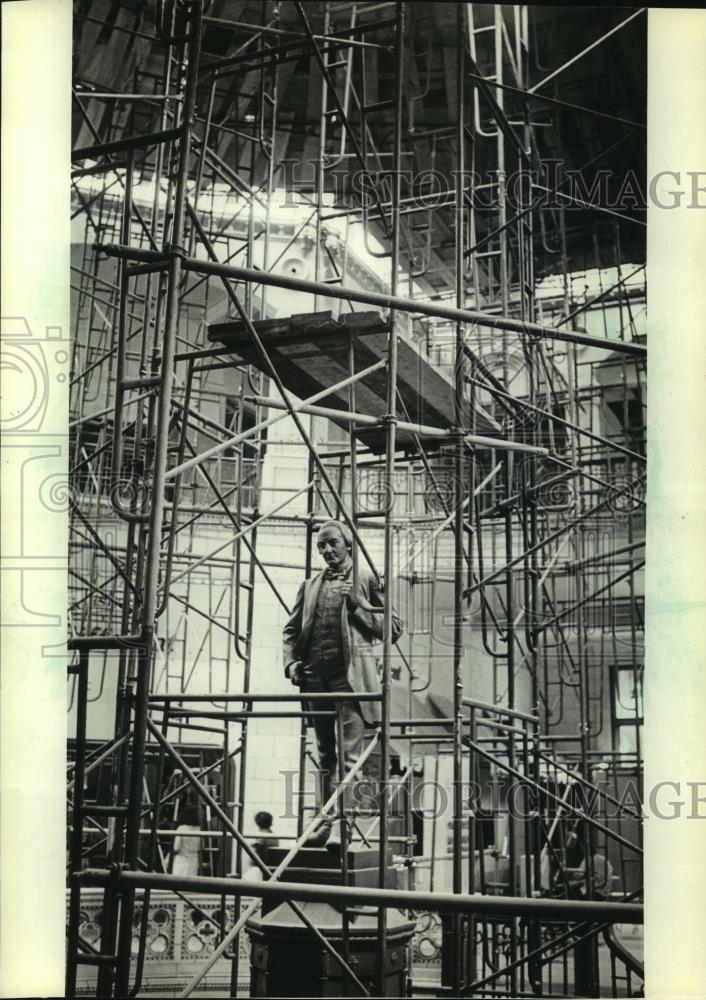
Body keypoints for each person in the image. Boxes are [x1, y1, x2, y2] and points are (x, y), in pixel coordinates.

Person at [282, 519, 403, 842]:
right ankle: (324, 822)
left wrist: (358, 608)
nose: (326, 550)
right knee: (325, 757)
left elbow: (393, 628)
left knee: (349, 756)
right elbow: (291, 631)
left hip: (351, 682)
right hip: (315, 680)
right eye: (321, 545)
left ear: (348, 543)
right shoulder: (309, 585)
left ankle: (343, 825)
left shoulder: (365, 577)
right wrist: (291, 662)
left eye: (332, 543)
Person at [171, 804, 201, 877]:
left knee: (178, 882)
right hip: (194, 859)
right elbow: (200, 847)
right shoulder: (199, 829)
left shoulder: (181, 828)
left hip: (182, 859)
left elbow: (176, 847)